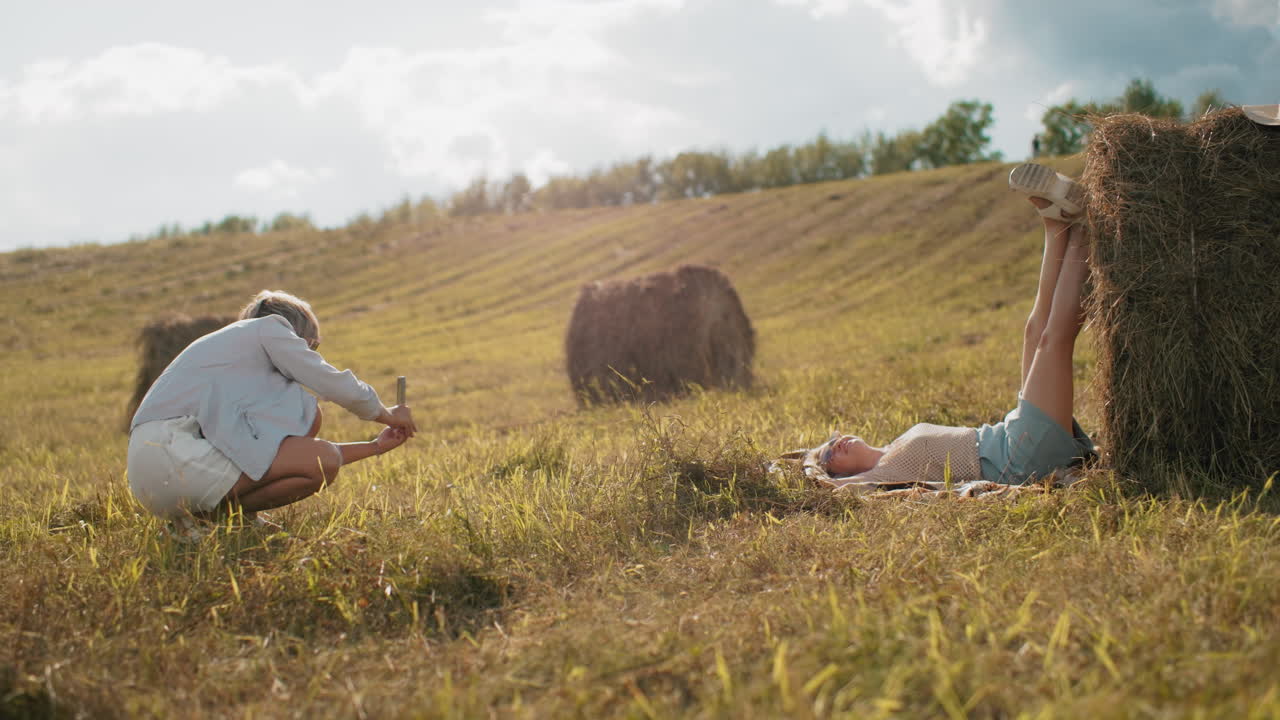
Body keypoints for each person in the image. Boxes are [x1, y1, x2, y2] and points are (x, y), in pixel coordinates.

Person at [792, 163, 1096, 492]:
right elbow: (830, 490)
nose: (836, 445)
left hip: (1011, 434)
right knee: (1053, 341)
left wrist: (821, 456)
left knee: (1033, 331)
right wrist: (810, 466)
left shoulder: (895, 445)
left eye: (832, 440)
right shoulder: (881, 476)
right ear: (837, 474)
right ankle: (1088, 228)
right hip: (1022, 459)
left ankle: (1056, 228)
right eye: (829, 457)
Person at [127, 290, 418, 533]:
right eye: (311, 345)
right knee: (315, 432)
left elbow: (279, 455)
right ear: (293, 332)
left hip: (148, 475)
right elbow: (330, 384)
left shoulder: (226, 361)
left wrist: (375, 447)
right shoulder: (269, 328)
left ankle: (215, 520)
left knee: (316, 443)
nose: (311, 354)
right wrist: (387, 414)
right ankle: (208, 518)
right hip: (176, 454)